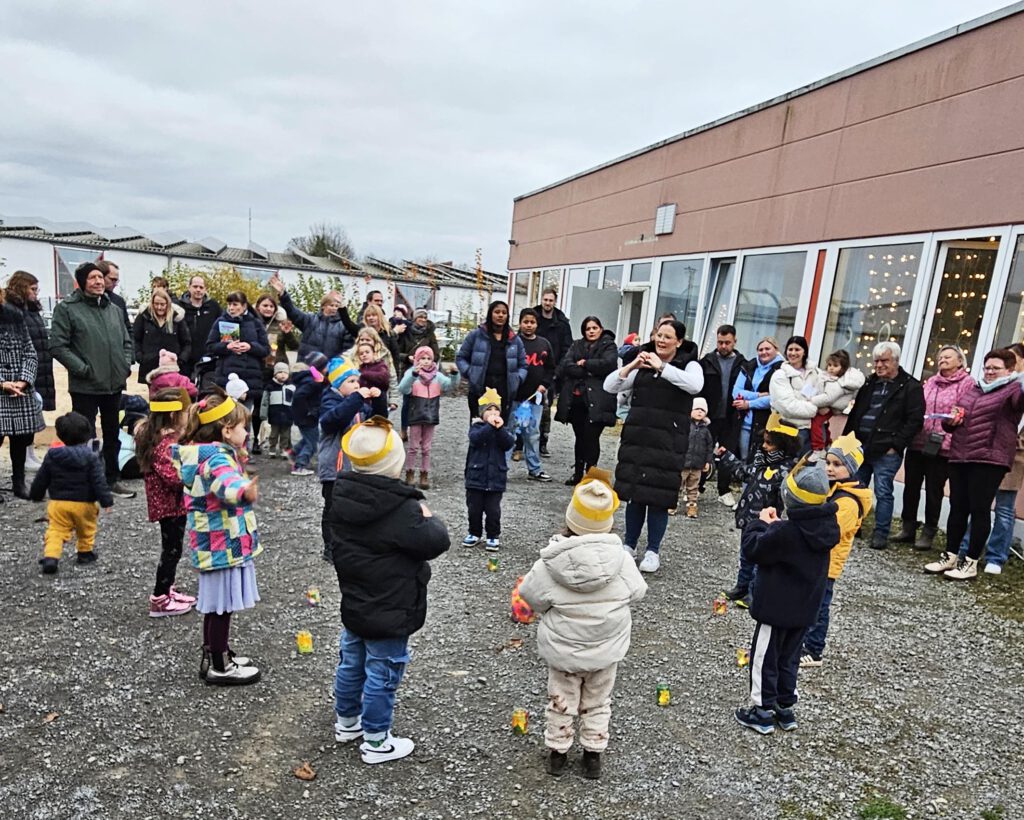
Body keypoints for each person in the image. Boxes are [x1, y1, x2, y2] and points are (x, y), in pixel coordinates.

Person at [329, 417, 451, 764]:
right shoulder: (403, 509)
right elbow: (436, 541)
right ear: (394, 463)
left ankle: (347, 721)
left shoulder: (341, 494)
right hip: (392, 607)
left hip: (355, 601)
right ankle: (377, 740)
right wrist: (427, 514)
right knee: (383, 672)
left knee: (351, 663)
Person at [518, 477, 647, 780]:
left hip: (564, 652)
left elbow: (530, 596)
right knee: (598, 700)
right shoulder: (622, 560)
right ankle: (592, 754)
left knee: (561, 699)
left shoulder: (550, 562)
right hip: (605, 651)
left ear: (570, 518)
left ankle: (558, 753)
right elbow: (638, 591)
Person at [734, 460, 839, 735]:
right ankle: (784, 706)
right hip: (804, 611)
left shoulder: (784, 533)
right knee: (789, 658)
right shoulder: (825, 527)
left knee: (764, 657)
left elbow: (754, 549)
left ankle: (761, 710)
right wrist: (777, 528)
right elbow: (792, 542)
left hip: (775, 609)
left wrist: (760, 525)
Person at [173, 392, 261, 686]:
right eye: (242, 427)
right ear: (225, 429)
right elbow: (227, 482)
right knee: (222, 606)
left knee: (216, 605)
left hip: (213, 543)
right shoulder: (216, 458)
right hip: (221, 543)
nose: (246, 432)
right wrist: (242, 492)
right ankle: (220, 665)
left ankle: (215, 653)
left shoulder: (202, 453)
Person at [603, 320, 703, 573]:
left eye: (668, 337)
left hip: (669, 439)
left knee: (658, 496)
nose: (661, 341)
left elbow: (695, 386)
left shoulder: (689, 364)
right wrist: (634, 365)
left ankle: (653, 550)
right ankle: (629, 545)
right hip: (639, 436)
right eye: (659, 335)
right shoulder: (643, 360)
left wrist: (664, 368)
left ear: (679, 341)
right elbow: (610, 386)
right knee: (635, 494)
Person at [924, 348, 1024, 580]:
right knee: (957, 507)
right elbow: (954, 421)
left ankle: (970, 563)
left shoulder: (1013, 392)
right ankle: (950, 556)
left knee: (979, 510)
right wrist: (953, 421)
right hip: (961, 455)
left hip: (989, 458)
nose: (990, 372)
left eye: (995, 368)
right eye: (987, 367)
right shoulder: (974, 390)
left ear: (1009, 370)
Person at [50, 262, 136, 498]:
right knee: (84, 436)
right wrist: (82, 369)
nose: (98, 282)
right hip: (85, 385)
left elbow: (126, 341)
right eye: (92, 278)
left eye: (100, 277)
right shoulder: (67, 309)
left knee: (112, 435)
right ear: (82, 282)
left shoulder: (114, 309)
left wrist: (124, 365)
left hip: (113, 383)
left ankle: (111, 480)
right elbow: (58, 345)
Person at [800, 433, 871, 668]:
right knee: (810, 602)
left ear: (851, 467)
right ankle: (803, 641)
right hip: (818, 559)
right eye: (828, 463)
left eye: (838, 464)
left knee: (820, 606)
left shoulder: (848, 502)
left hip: (828, 562)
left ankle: (814, 649)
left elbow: (830, 531)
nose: (830, 468)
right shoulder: (834, 489)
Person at [845, 341, 924, 550]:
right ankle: (854, 526)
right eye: (876, 361)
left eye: (884, 361)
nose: (879, 365)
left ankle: (881, 533)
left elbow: (915, 421)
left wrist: (896, 445)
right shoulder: (870, 383)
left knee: (883, 492)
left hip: (886, 450)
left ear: (896, 361)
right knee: (855, 488)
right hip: (861, 445)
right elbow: (856, 413)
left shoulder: (911, 386)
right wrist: (847, 440)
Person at [895, 345, 974, 550]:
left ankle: (929, 531)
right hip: (919, 440)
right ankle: (908, 527)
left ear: (960, 361)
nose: (942, 360)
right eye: (940, 357)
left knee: (933, 490)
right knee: (911, 486)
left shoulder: (967, 383)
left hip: (944, 445)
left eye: (948, 357)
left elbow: (966, 411)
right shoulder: (930, 381)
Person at [719, 414, 801, 606]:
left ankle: (754, 593)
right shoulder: (761, 464)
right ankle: (741, 587)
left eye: (769, 444)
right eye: (764, 442)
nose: (764, 447)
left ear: (784, 446)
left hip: (767, 524)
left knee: (760, 560)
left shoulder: (786, 473)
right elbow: (743, 472)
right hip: (749, 520)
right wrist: (727, 456)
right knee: (745, 556)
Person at [959, 342, 1024, 573]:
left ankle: (996, 557)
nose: (991, 371)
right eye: (988, 367)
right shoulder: (989, 388)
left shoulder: (1017, 389)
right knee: (978, 505)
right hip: (982, 452)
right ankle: (967, 550)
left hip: (1012, 454)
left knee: (1004, 507)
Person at [135, 388, 196, 618]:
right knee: (171, 551)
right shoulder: (164, 444)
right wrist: (195, 472)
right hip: (169, 506)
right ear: (173, 416)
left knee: (173, 549)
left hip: (174, 505)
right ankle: (159, 599)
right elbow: (173, 477)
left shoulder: (164, 438)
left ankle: (167, 590)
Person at [30, 412, 113, 572]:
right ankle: (84, 552)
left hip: (58, 503)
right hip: (84, 503)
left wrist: (36, 493)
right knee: (86, 529)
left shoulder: (53, 455)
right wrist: (106, 501)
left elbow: (42, 477)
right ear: (87, 434)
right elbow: (99, 481)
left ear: (61, 435)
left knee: (56, 530)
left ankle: (51, 557)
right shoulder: (91, 457)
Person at [318, 358, 378, 562]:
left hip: (354, 467)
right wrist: (356, 399)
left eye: (357, 382)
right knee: (333, 509)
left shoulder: (356, 403)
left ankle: (350, 542)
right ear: (337, 384)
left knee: (353, 506)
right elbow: (333, 420)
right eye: (351, 381)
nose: (357, 385)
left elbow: (376, 420)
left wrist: (377, 400)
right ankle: (330, 547)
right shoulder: (330, 401)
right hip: (334, 468)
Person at [553, 316, 617, 486]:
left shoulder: (608, 345)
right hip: (577, 399)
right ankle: (578, 473)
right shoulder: (576, 344)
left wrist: (585, 363)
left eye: (594, 328)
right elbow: (567, 364)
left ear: (601, 329)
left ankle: (591, 473)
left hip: (598, 400)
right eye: (588, 328)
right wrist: (588, 371)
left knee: (591, 436)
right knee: (579, 436)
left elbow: (609, 364)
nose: (591, 331)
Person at [0, 289, 44, 498]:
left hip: (21, 390)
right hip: (2, 390)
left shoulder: (14, 316)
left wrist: (23, 380)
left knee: (21, 440)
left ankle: (19, 483)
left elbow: (29, 351)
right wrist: (2, 383)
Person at [397, 345, 459, 489]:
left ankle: (424, 474)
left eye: (429, 358)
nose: (425, 361)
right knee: (413, 447)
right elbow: (403, 389)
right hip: (416, 414)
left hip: (431, 414)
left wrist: (455, 375)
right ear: (417, 360)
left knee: (426, 448)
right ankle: (410, 472)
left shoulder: (438, 376)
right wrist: (413, 375)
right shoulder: (412, 374)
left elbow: (450, 386)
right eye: (422, 358)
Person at [456, 300, 527, 424]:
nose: (500, 315)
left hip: (504, 389)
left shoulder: (514, 340)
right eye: (497, 312)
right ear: (490, 314)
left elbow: (523, 364)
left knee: (501, 427)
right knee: (479, 425)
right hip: (480, 387)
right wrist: (470, 372)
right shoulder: (476, 336)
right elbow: (461, 357)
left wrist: (517, 379)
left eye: (504, 313)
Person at [462, 388, 515, 551]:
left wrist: (499, 429)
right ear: (481, 413)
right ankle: (474, 532)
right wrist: (490, 427)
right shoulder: (476, 427)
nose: (493, 413)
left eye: (496, 410)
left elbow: (508, 444)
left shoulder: (502, 430)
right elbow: (476, 440)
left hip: (496, 477)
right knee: (474, 508)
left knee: (493, 510)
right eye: (489, 410)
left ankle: (493, 535)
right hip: (475, 476)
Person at [698, 325, 745, 506]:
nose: (723, 346)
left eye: (727, 342)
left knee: (727, 453)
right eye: (720, 342)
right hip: (709, 415)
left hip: (731, 416)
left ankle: (723, 490)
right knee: (702, 450)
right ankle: (697, 486)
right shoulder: (707, 362)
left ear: (734, 341)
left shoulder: (743, 364)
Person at [205, 291, 269, 414]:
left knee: (245, 418)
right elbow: (210, 346)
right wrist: (226, 347)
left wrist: (250, 347)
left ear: (244, 306)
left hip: (249, 379)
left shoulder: (256, 323)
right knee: (227, 417)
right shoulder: (221, 321)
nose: (231, 308)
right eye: (229, 304)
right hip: (226, 377)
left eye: (235, 304)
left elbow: (265, 349)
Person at [512, 308, 555, 482]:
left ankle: (535, 469)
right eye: (525, 322)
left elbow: (551, 367)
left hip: (534, 398)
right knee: (510, 432)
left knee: (532, 433)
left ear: (537, 324)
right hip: (514, 397)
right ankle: (501, 468)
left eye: (532, 322)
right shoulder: (513, 342)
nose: (529, 325)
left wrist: (544, 384)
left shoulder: (544, 344)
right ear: (520, 323)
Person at [252, 293, 299, 453]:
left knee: (285, 405)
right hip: (259, 369)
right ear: (258, 307)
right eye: (265, 305)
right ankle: (257, 441)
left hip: (279, 371)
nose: (268, 309)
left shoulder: (280, 324)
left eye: (271, 306)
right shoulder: (252, 323)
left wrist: (287, 332)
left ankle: (287, 442)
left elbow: (294, 345)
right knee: (260, 406)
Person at [268, 274, 353, 361]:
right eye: (331, 305)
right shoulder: (310, 319)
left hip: (330, 369)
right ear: (323, 306)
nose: (334, 308)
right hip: (307, 367)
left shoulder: (344, 326)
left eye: (337, 306)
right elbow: (292, 312)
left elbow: (347, 350)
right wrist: (283, 294)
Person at [4, 270, 55, 414]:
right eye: (33, 289)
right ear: (21, 288)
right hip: (17, 379)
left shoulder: (33, 311)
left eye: (37, 289)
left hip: (37, 374)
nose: (36, 293)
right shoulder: (9, 311)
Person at [533, 289, 573, 456]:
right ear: (541, 300)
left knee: (545, 409)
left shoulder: (562, 323)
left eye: (551, 300)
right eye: (545, 299)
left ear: (555, 302)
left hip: (552, 373)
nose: (547, 303)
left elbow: (567, 349)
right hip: (532, 370)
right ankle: (521, 443)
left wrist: (558, 371)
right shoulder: (532, 318)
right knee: (525, 407)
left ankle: (543, 442)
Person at [732, 337, 784, 465]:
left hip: (766, 423)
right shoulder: (748, 366)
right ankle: (745, 484)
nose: (763, 352)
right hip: (744, 422)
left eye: (768, 348)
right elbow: (736, 392)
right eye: (760, 349)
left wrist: (748, 404)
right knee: (744, 459)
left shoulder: (782, 369)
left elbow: (775, 398)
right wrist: (760, 395)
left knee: (762, 461)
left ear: (776, 350)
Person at [805, 350, 865, 456]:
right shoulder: (827, 377)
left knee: (816, 423)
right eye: (829, 365)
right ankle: (827, 442)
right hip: (823, 405)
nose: (831, 368)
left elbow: (828, 398)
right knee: (823, 424)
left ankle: (818, 448)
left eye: (835, 365)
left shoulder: (838, 383)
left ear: (843, 368)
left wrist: (811, 401)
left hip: (828, 406)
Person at [768, 335, 820, 454]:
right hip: (786, 431)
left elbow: (826, 396)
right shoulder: (780, 375)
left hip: (811, 432)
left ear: (804, 352)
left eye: (797, 349)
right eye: (790, 349)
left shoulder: (815, 373)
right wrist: (815, 409)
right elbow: (787, 407)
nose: (793, 353)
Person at [395, 309, 440, 438]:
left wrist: (429, 363)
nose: (423, 319)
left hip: (425, 374)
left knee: (423, 403)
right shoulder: (406, 333)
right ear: (414, 318)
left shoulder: (430, 334)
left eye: (425, 317)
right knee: (407, 400)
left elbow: (436, 354)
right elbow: (397, 352)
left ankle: (421, 432)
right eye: (420, 317)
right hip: (409, 370)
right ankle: (404, 429)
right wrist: (407, 357)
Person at [133, 287, 191, 385]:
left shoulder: (177, 319)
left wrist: (181, 360)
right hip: (149, 368)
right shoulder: (143, 317)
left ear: (167, 304)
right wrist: (140, 357)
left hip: (172, 369)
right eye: (156, 304)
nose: (159, 307)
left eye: (162, 304)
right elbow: (135, 339)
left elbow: (186, 342)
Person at [289, 352, 328, 477]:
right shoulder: (310, 382)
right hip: (308, 417)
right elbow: (300, 397)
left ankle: (293, 453)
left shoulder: (309, 380)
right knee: (312, 444)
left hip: (305, 417)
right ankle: (300, 465)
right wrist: (308, 411)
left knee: (308, 438)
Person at [676, 397, 714, 518]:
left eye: (702, 410)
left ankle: (692, 506)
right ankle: (672, 504)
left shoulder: (706, 431)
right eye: (696, 409)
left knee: (693, 487)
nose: (699, 412)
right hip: (683, 463)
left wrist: (708, 461)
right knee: (677, 484)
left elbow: (709, 447)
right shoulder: (685, 426)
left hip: (698, 464)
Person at [177, 275, 221, 379]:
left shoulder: (214, 307)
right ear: (189, 287)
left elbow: (224, 326)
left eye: (201, 287)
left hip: (207, 359)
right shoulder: (179, 307)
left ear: (205, 289)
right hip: (184, 360)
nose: (198, 290)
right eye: (195, 286)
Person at [261, 362, 294, 458]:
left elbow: (295, 401)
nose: (283, 375)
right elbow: (265, 401)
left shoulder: (291, 387)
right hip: (274, 415)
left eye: (285, 373)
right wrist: (263, 414)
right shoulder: (270, 386)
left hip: (288, 415)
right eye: (280, 372)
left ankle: (284, 450)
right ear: (275, 374)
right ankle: (272, 449)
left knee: (285, 435)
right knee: (273, 434)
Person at [354, 338, 394, 418]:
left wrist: (363, 374)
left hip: (378, 403)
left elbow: (383, 379)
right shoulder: (359, 368)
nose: (364, 355)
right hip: (364, 404)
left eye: (367, 352)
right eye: (361, 354)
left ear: (374, 354)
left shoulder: (381, 365)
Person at [96, 260, 132, 338]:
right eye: (112, 280)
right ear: (100, 277)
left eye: (116, 280)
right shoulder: (90, 300)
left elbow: (127, 329)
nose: (115, 284)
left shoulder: (119, 301)